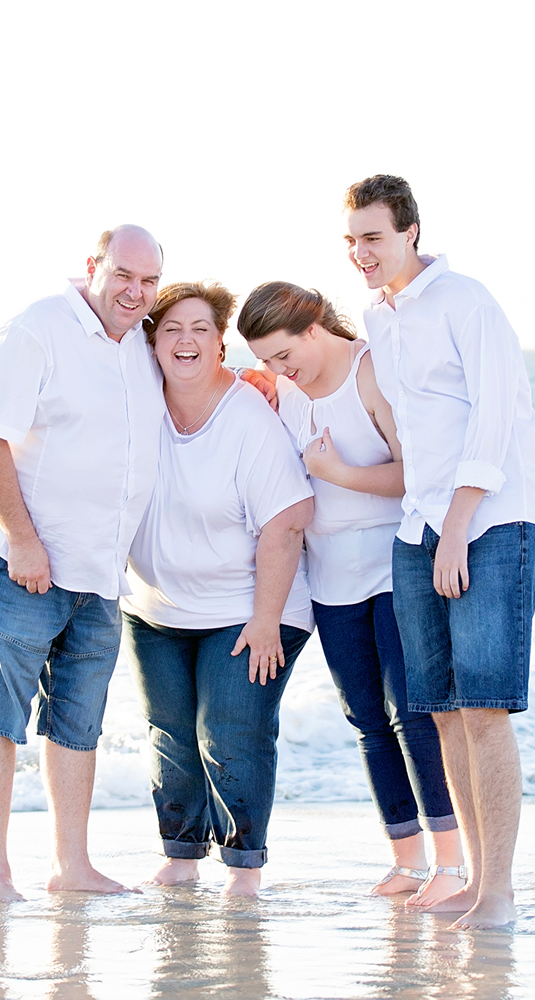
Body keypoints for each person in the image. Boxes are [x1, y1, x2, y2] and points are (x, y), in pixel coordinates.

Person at [345, 174, 535, 929]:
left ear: (410, 233)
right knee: (441, 715)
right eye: (352, 240)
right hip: (418, 526)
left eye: (374, 237)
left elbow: (495, 415)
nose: (362, 253)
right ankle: (467, 879)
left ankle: (498, 892)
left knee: (485, 709)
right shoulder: (376, 315)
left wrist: (459, 523)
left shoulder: (467, 302)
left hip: (492, 522)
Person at [236, 281, 466, 909]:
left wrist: (340, 475)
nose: (280, 371)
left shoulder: (371, 371)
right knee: (365, 717)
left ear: (314, 327)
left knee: (411, 711)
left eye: (284, 355)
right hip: (329, 575)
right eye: (267, 361)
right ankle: (406, 858)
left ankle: (453, 862)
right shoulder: (280, 387)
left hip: (395, 565)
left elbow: (417, 473)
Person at [0, 225, 165, 902]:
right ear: (92, 267)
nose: (135, 293)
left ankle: (71, 867)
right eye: (123, 277)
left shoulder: (140, 340)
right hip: (19, 563)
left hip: (98, 573)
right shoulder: (37, 328)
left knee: (78, 725)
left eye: (148, 281)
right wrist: (22, 539)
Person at [121, 281, 315, 898]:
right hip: (154, 607)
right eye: (171, 327)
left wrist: (265, 621)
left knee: (231, 732)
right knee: (169, 732)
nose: (185, 340)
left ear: (221, 343)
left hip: (250, 607)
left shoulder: (246, 417)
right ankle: (180, 858)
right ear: (150, 341)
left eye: (201, 328)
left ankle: (245, 871)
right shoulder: (137, 404)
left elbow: (287, 522)